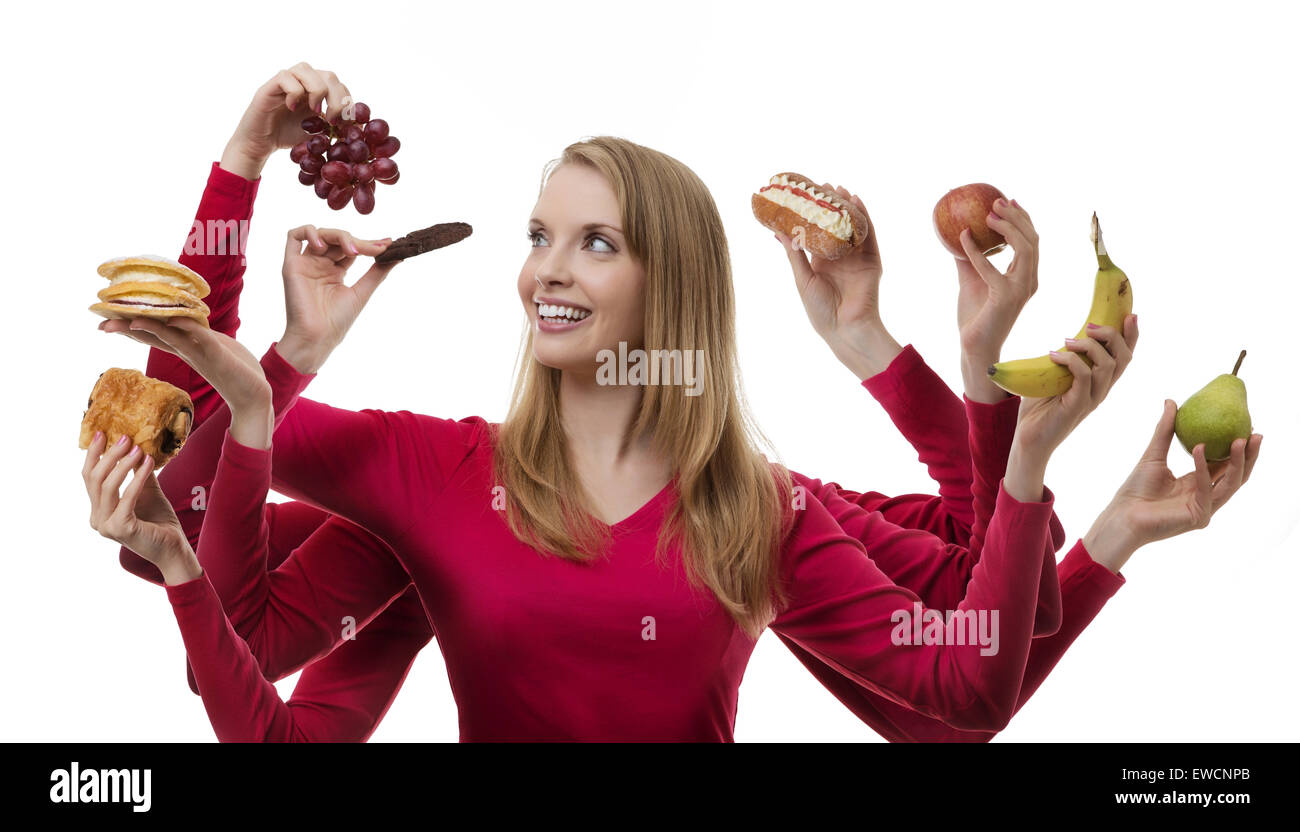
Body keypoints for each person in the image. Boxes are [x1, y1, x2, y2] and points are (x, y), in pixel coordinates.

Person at [85, 66, 1259, 741]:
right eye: (540, 235)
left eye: (594, 243)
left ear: (670, 289)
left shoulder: (758, 509)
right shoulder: (428, 472)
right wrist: (247, 196)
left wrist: (926, 374)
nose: (547, 268)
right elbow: (186, 484)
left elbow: (962, 669)